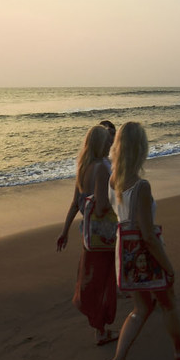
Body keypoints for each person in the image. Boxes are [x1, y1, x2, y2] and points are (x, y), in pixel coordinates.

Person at [106, 122, 180, 360]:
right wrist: (168, 266)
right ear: (140, 148)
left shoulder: (112, 178)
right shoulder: (141, 186)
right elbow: (147, 234)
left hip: (124, 253)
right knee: (167, 302)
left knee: (141, 308)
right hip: (146, 255)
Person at [56, 123, 119, 346]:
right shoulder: (103, 167)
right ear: (102, 143)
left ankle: (99, 327)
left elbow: (75, 204)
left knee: (91, 279)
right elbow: (102, 205)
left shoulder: (83, 167)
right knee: (104, 280)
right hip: (103, 234)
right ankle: (101, 330)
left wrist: (64, 232)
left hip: (87, 234)